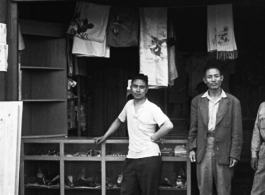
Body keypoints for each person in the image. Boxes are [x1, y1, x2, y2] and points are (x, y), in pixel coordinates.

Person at [94, 74, 173, 195]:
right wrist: (105, 136)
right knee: (127, 192)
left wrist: (154, 137)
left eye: (141, 87)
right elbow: (119, 120)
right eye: (135, 86)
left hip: (149, 157)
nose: (138, 90)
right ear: (130, 87)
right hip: (131, 157)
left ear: (146, 90)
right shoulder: (129, 104)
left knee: (149, 192)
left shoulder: (152, 108)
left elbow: (168, 125)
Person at [188, 63, 243, 195]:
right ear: (204, 80)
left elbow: (237, 131)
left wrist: (234, 153)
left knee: (224, 188)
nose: (213, 79)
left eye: (216, 76)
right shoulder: (197, 101)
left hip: (224, 147)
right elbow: (193, 127)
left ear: (222, 78)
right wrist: (192, 147)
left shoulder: (233, 101)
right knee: (204, 187)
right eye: (210, 77)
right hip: (203, 146)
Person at [250, 102, 265, 195]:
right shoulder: (263, 106)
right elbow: (256, 131)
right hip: (264, 150)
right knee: (258, 188)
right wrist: (254, 154)